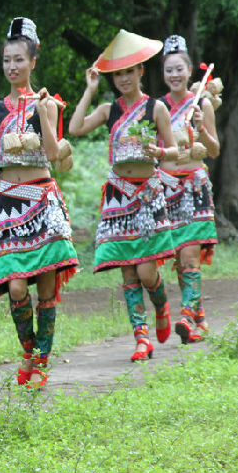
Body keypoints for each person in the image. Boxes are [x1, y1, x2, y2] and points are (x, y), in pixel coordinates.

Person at [68, 29, 179, 362]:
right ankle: (140, 338)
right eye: (117, 73)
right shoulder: (108, 110)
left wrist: (156, 149)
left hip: (147, 196)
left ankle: (160, 303)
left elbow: (173, 150)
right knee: (127, 271)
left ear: (141, 72)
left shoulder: (155, 108)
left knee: (147, 272)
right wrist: (89, 90)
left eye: (129, 71)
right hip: (119, 196)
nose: (123, 78)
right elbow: (74, 128)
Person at [0, 17, 79, 388]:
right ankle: (29, 350)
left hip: (42, 200)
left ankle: (40, 362)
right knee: (16, 287)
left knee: (44, 288)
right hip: (10, 205)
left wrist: (42, 111)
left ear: (33, 62)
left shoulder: (49, 104)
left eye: (19, 60)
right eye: (7, 60)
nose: (12, 67)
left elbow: (55, 154)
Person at [159, 35, 220, 343]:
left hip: (194, 186)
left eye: (179, 69)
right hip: (166, 188)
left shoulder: (202, 103)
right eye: (169, 70)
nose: (174, 75)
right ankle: (198, 316)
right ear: (163, 73)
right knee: (181, 259)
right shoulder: (157, 109)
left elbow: (214, 150)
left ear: (189, 71)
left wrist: (203, 128)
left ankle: (185, 316)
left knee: (192, 255)